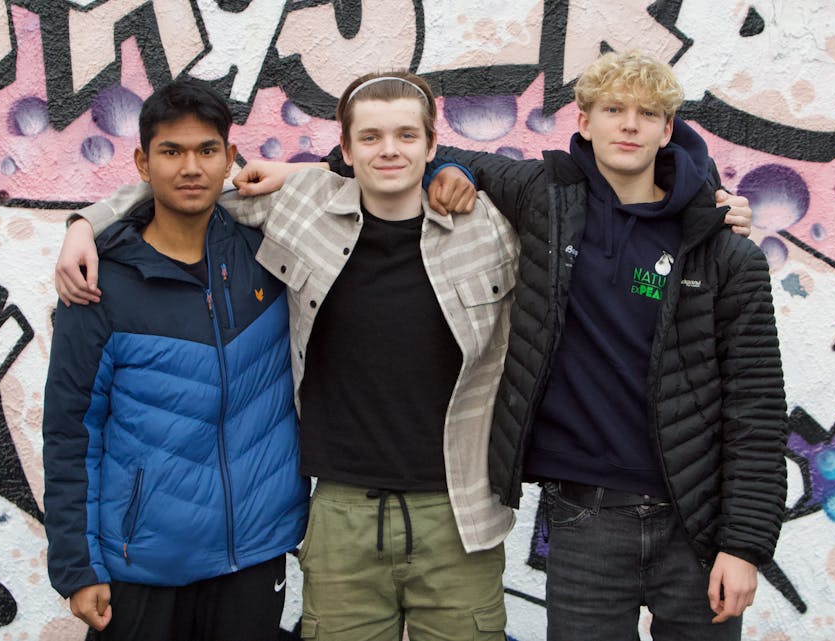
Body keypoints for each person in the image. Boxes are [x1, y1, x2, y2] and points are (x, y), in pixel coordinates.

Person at [56, 71, 518, 641]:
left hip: (438, 515)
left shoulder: (487, 230)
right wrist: (85, 224)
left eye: (406, 135)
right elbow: (188, 189)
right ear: (345, 150)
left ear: (431, 143)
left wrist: (459, 170)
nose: (390, 149)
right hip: (306, 521)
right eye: (370, 137)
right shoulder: (299, 215)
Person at [412, 51, 786, 640]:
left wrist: (745, 545)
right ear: (584, 121)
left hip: (697, 523)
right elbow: (414, 155)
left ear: (669, 130)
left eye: (647, 113)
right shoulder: (546, 200)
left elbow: (757, 411)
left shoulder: (723, 249)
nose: (629, 124)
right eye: (613, 109)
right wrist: (442, 172)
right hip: (584, 516)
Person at [42, 78, 309, 641]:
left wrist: (444, 171)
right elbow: (71, 432)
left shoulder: (268, 251)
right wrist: (77, 565)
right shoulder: (99, 286)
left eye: (207, 150)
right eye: (171, 151)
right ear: (143, 162)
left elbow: (376, 177)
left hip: (253, 556)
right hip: (141, 565)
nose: (191, 167)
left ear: (230, 158)